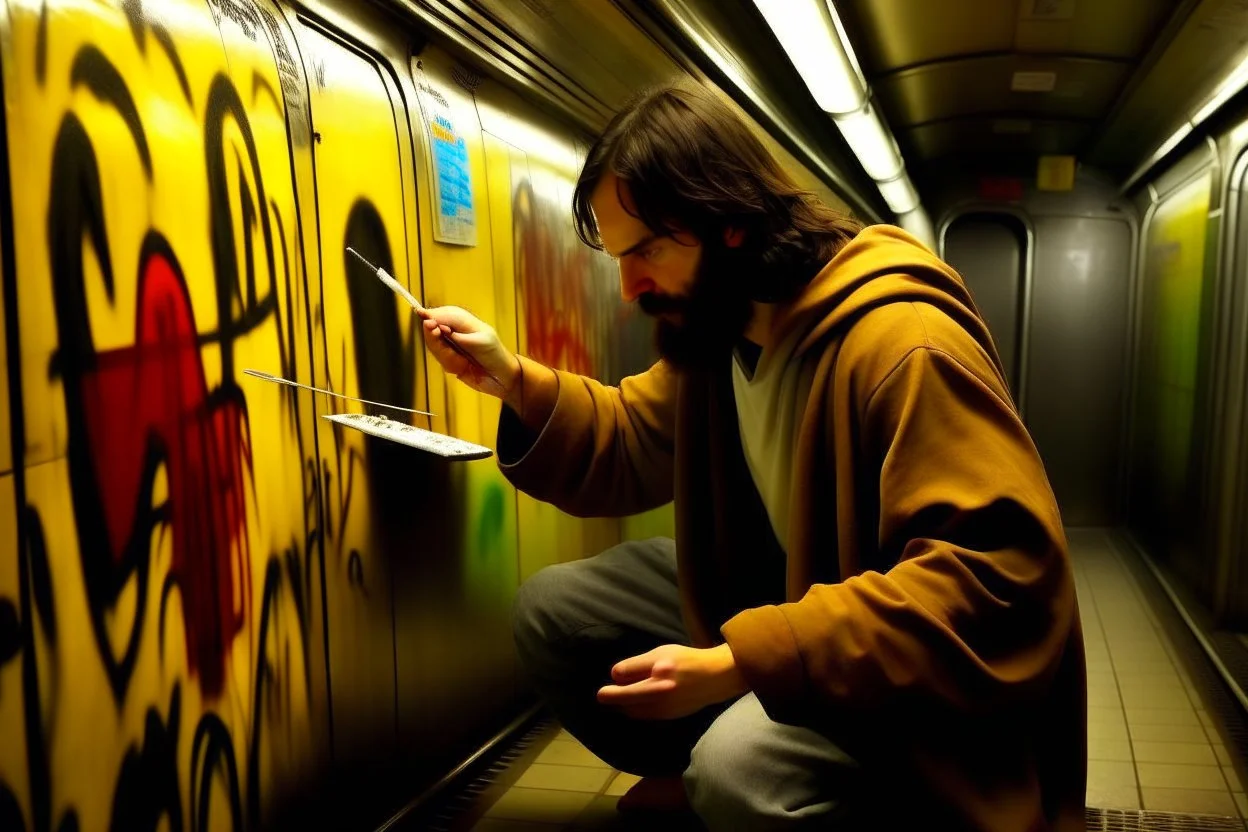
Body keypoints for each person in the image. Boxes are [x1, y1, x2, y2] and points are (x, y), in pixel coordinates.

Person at [419, 81, 1086, 831]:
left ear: (729, 223)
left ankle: (758, 786)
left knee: (739, 772)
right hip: (802, 610)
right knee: (559, 614)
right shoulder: (723, 332)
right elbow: (633, 433)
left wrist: (738, 661)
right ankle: (705, 779)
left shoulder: (903, 347)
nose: (630, 286)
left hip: (916, 691)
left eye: (648, 252)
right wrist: (512, 378)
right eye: (618, 256)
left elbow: (994, 577)